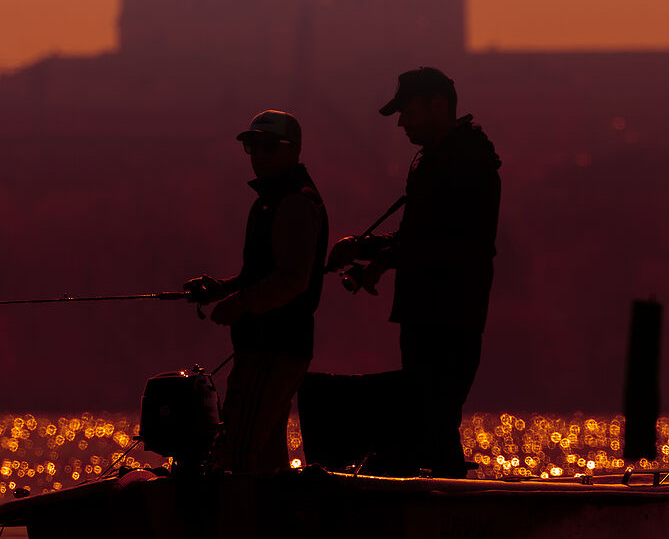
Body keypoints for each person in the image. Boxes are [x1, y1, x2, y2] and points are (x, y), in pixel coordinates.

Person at [327, 67, 501, 477]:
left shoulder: (467, 164)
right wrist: (364, 247)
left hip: (450, 315)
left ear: (436, 106)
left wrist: (383, 261)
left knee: (435, 419)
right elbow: (416, 236)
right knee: (429, 422)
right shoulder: (437, 161)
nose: (401, 122)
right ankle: (446, 501)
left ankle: (449, 506)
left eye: (407, 111)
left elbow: (448, 243)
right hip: (426, 313)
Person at [184, 110, 329, 473]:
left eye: (268, 146)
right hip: (266, 347)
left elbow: (293, 279)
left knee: (236, 454)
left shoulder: (295, 202)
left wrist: (239, 304)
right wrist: (222, 289)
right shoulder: (270, 200)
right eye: (252, 146)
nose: (258, 154)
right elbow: (263, 274)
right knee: (266, 459)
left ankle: (237, 527)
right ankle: (271, 527)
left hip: (274, 348)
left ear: (294, 150)